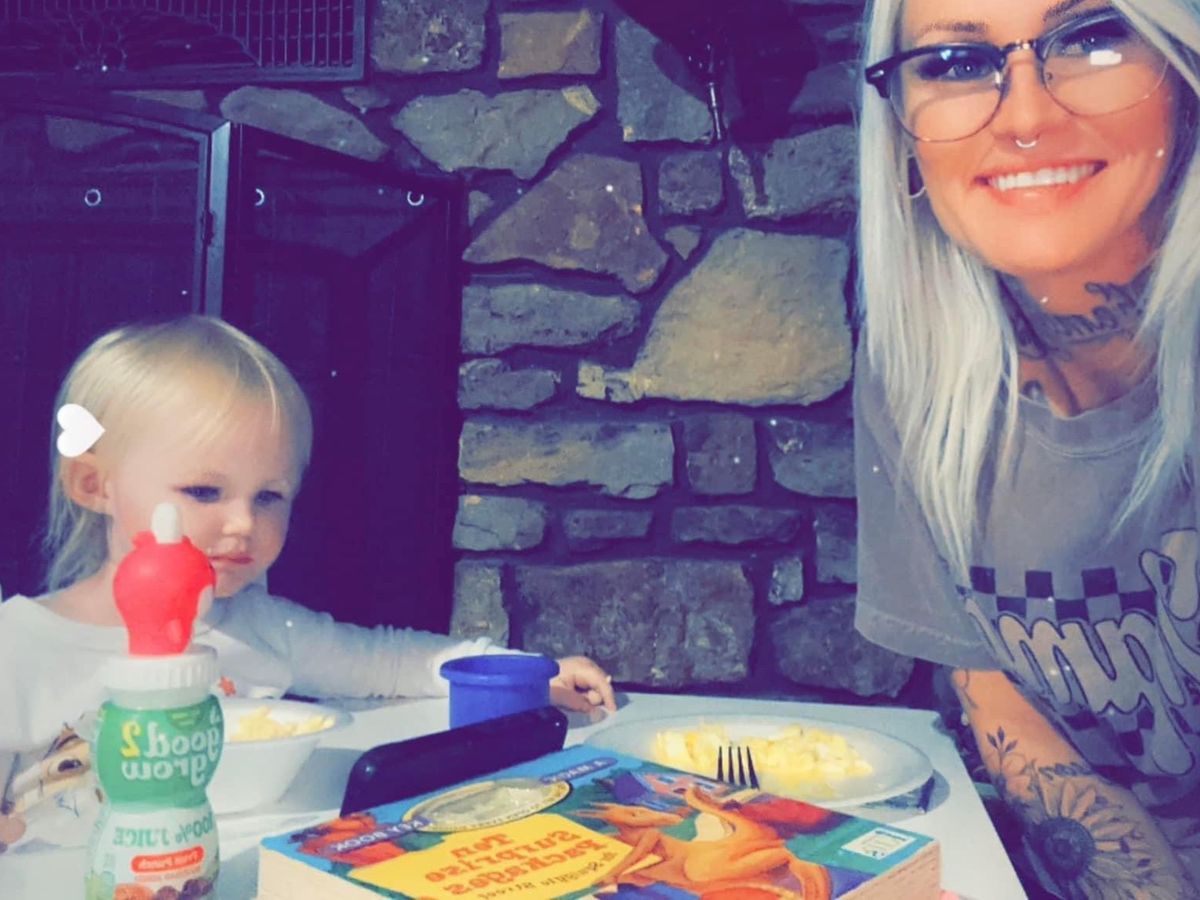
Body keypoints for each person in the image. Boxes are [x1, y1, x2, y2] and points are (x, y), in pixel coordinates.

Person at [0, 315, 615, 855]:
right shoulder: (20, 645)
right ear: (94, 486)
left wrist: (525, 673)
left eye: (269, 496)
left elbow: (391, 661)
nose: (244, 523)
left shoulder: (261, 627)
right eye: (204, 491)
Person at [854, 0, 1200, 897]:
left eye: (1091, 37)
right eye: (955, 64)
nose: (1027, 116)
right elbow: (1003, 708)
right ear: (903, 138)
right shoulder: (911, 369)